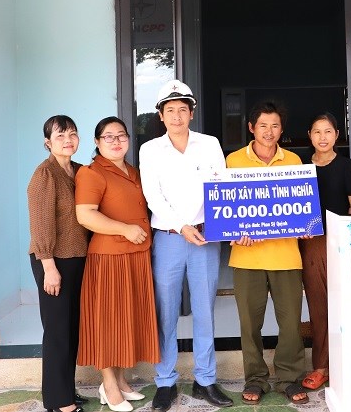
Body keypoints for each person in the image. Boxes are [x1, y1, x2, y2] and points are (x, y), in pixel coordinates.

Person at [139, 80, 233, 412]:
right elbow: (153, 196)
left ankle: (205, 379)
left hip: (205, 237)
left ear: (191, 113)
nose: (177, 116)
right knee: (165, 310)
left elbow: (219, 187)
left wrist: (212, 222)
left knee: (205, 310)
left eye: (183, 110)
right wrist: (182, 225)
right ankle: (164, 381)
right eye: (170, 111)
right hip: (169, 239)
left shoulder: (209, 144)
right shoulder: (150, 150)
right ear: (161, 116)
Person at [226, 101, 310, 406]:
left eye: (275, 125)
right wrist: (235, 232)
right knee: (250, 324)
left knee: (290, 324)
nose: (269, 132)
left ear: (282, 129)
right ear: (251, 128)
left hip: (286, 255)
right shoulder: (233, 161)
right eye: (263, 125)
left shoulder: (295, 162)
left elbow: (303, 208)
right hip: (246, 258)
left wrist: (305, 224)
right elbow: (226, 210)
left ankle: (289, 378)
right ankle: (256, 379)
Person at [75, 117, 160, 412]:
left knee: (127, 320)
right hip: (110, 258)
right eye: (108, 136)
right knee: (108, 323)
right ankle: (108, 385)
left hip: (136, 256)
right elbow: (85, 215)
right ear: (97, 142)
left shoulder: (132, 171)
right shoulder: (92, 172)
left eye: (121, 135)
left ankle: (121, 381)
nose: (115, 141)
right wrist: (124, 229)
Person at [27, 115, 89, 412]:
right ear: (47, 142)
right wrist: (49, 268)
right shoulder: (45, 174)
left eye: (73, 133)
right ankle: (59, 401)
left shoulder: (78, 171)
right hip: (52, 260)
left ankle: (67, 390)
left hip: (77, 258)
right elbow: (41, 225)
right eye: (61, 134)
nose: (68, 139)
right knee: (57, 331)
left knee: (71, 328)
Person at [300, 112, 351, 392]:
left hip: (342, 240)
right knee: (318, 305)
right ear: (309, 136)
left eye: (328, 131)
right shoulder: (299, 168)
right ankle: (321, 367)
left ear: (337, 135)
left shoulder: (349, 167)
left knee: (348, 304)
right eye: (317, 132)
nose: (322, 137)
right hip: (310, 242)